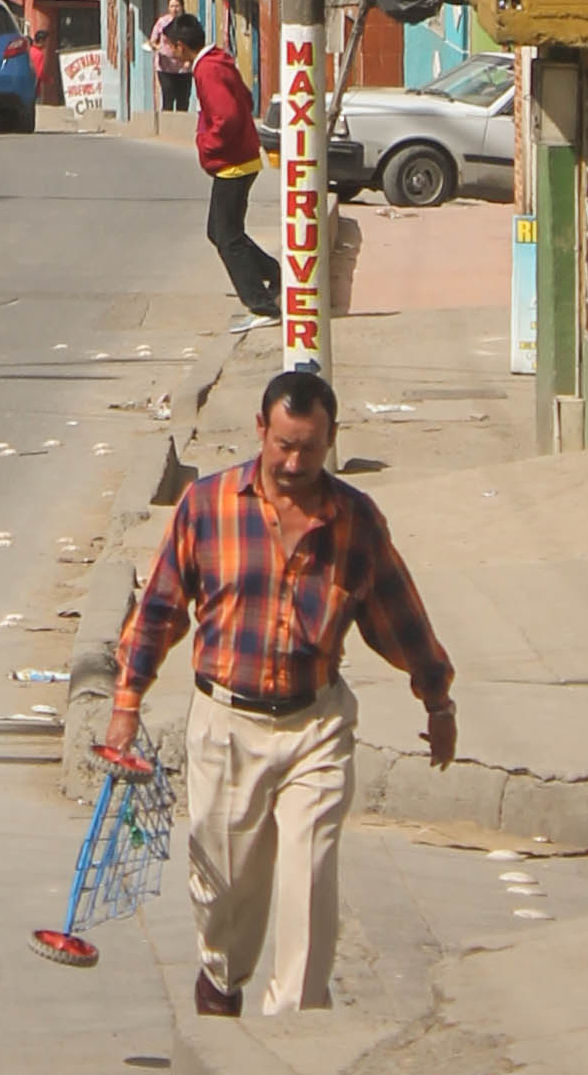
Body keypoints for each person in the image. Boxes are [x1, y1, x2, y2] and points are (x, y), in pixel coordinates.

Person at [104, 367, 455, 1021]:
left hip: (314, 727)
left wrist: (436, 698)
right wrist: (126, 705)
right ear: (261, 431)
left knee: (311, 885)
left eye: (311, 448)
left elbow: (398, 616)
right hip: (225, 724)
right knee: (226, 892)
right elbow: (158, 611)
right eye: (284, 445)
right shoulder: (206, 507)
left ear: (331, 441)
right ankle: (221, 982)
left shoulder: (355, 521)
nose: (295, 463)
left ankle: (293, 1038)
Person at [187, 18, 283, 326]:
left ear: (179, 46)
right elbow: (246, 99)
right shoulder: (220, 62)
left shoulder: (207, 69)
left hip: (233, 164)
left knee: (227, 237)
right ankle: (273, 273)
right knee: (220, 231)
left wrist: (207, 144)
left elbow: (226, 116)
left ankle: (261, 306)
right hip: (242, 158)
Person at [153, 0, 200, 113]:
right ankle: (166, 128)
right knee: (167, 97)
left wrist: (190, 61)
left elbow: (196, 43)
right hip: (165, 68)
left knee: (183, 101)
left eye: (177, 6)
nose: (174, 9)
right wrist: (157, 48)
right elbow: (153, 41)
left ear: (182, 7)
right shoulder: (162, 22)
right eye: (172, 6)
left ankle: (180, 128)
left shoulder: (189, 23)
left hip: (184, 68)